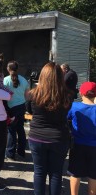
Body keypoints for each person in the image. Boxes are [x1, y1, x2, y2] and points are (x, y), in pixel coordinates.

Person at [27, 62, 72, 195]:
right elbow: (66, 112)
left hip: (37, 137)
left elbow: (29, 110)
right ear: (60, 77)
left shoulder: (33, 94)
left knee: (39, 172)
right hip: (59, 138)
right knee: (56, 174)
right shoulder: (67, 96)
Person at [67, 82, 96, 195]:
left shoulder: (74, 106)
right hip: (94, 147)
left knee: (75, 173)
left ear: (81, 93)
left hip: (78, 145)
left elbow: (65, 118)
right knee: (93, 175)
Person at [3, 61, 29, 160]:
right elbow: (27, 97)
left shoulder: (5, 80)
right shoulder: (24, 80)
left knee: (11, 130)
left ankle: (10, 153)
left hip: (10, 108)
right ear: (17, 69)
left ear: (8, 69)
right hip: (21, 107)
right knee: (20, 129)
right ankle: (21, 152)